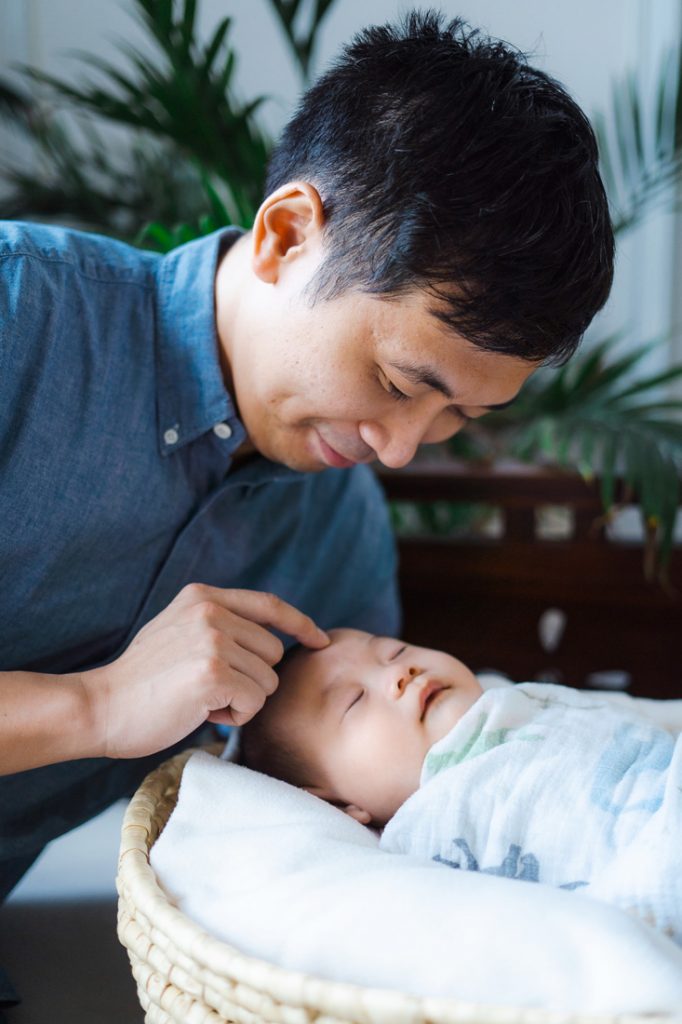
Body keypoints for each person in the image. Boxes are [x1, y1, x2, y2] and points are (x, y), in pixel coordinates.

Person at [0, 9, 614, 1010]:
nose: (401, 444)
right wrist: (98, 706)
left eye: (459, 412)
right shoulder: (18, 319)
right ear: (287, 233)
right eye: (396, 376)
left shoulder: (334, 540)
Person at [240, 629, 682, 943]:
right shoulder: (426, 834)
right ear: (338, 803)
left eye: (395, 650)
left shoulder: (515, 700)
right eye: (354, 701)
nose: (401, 673)